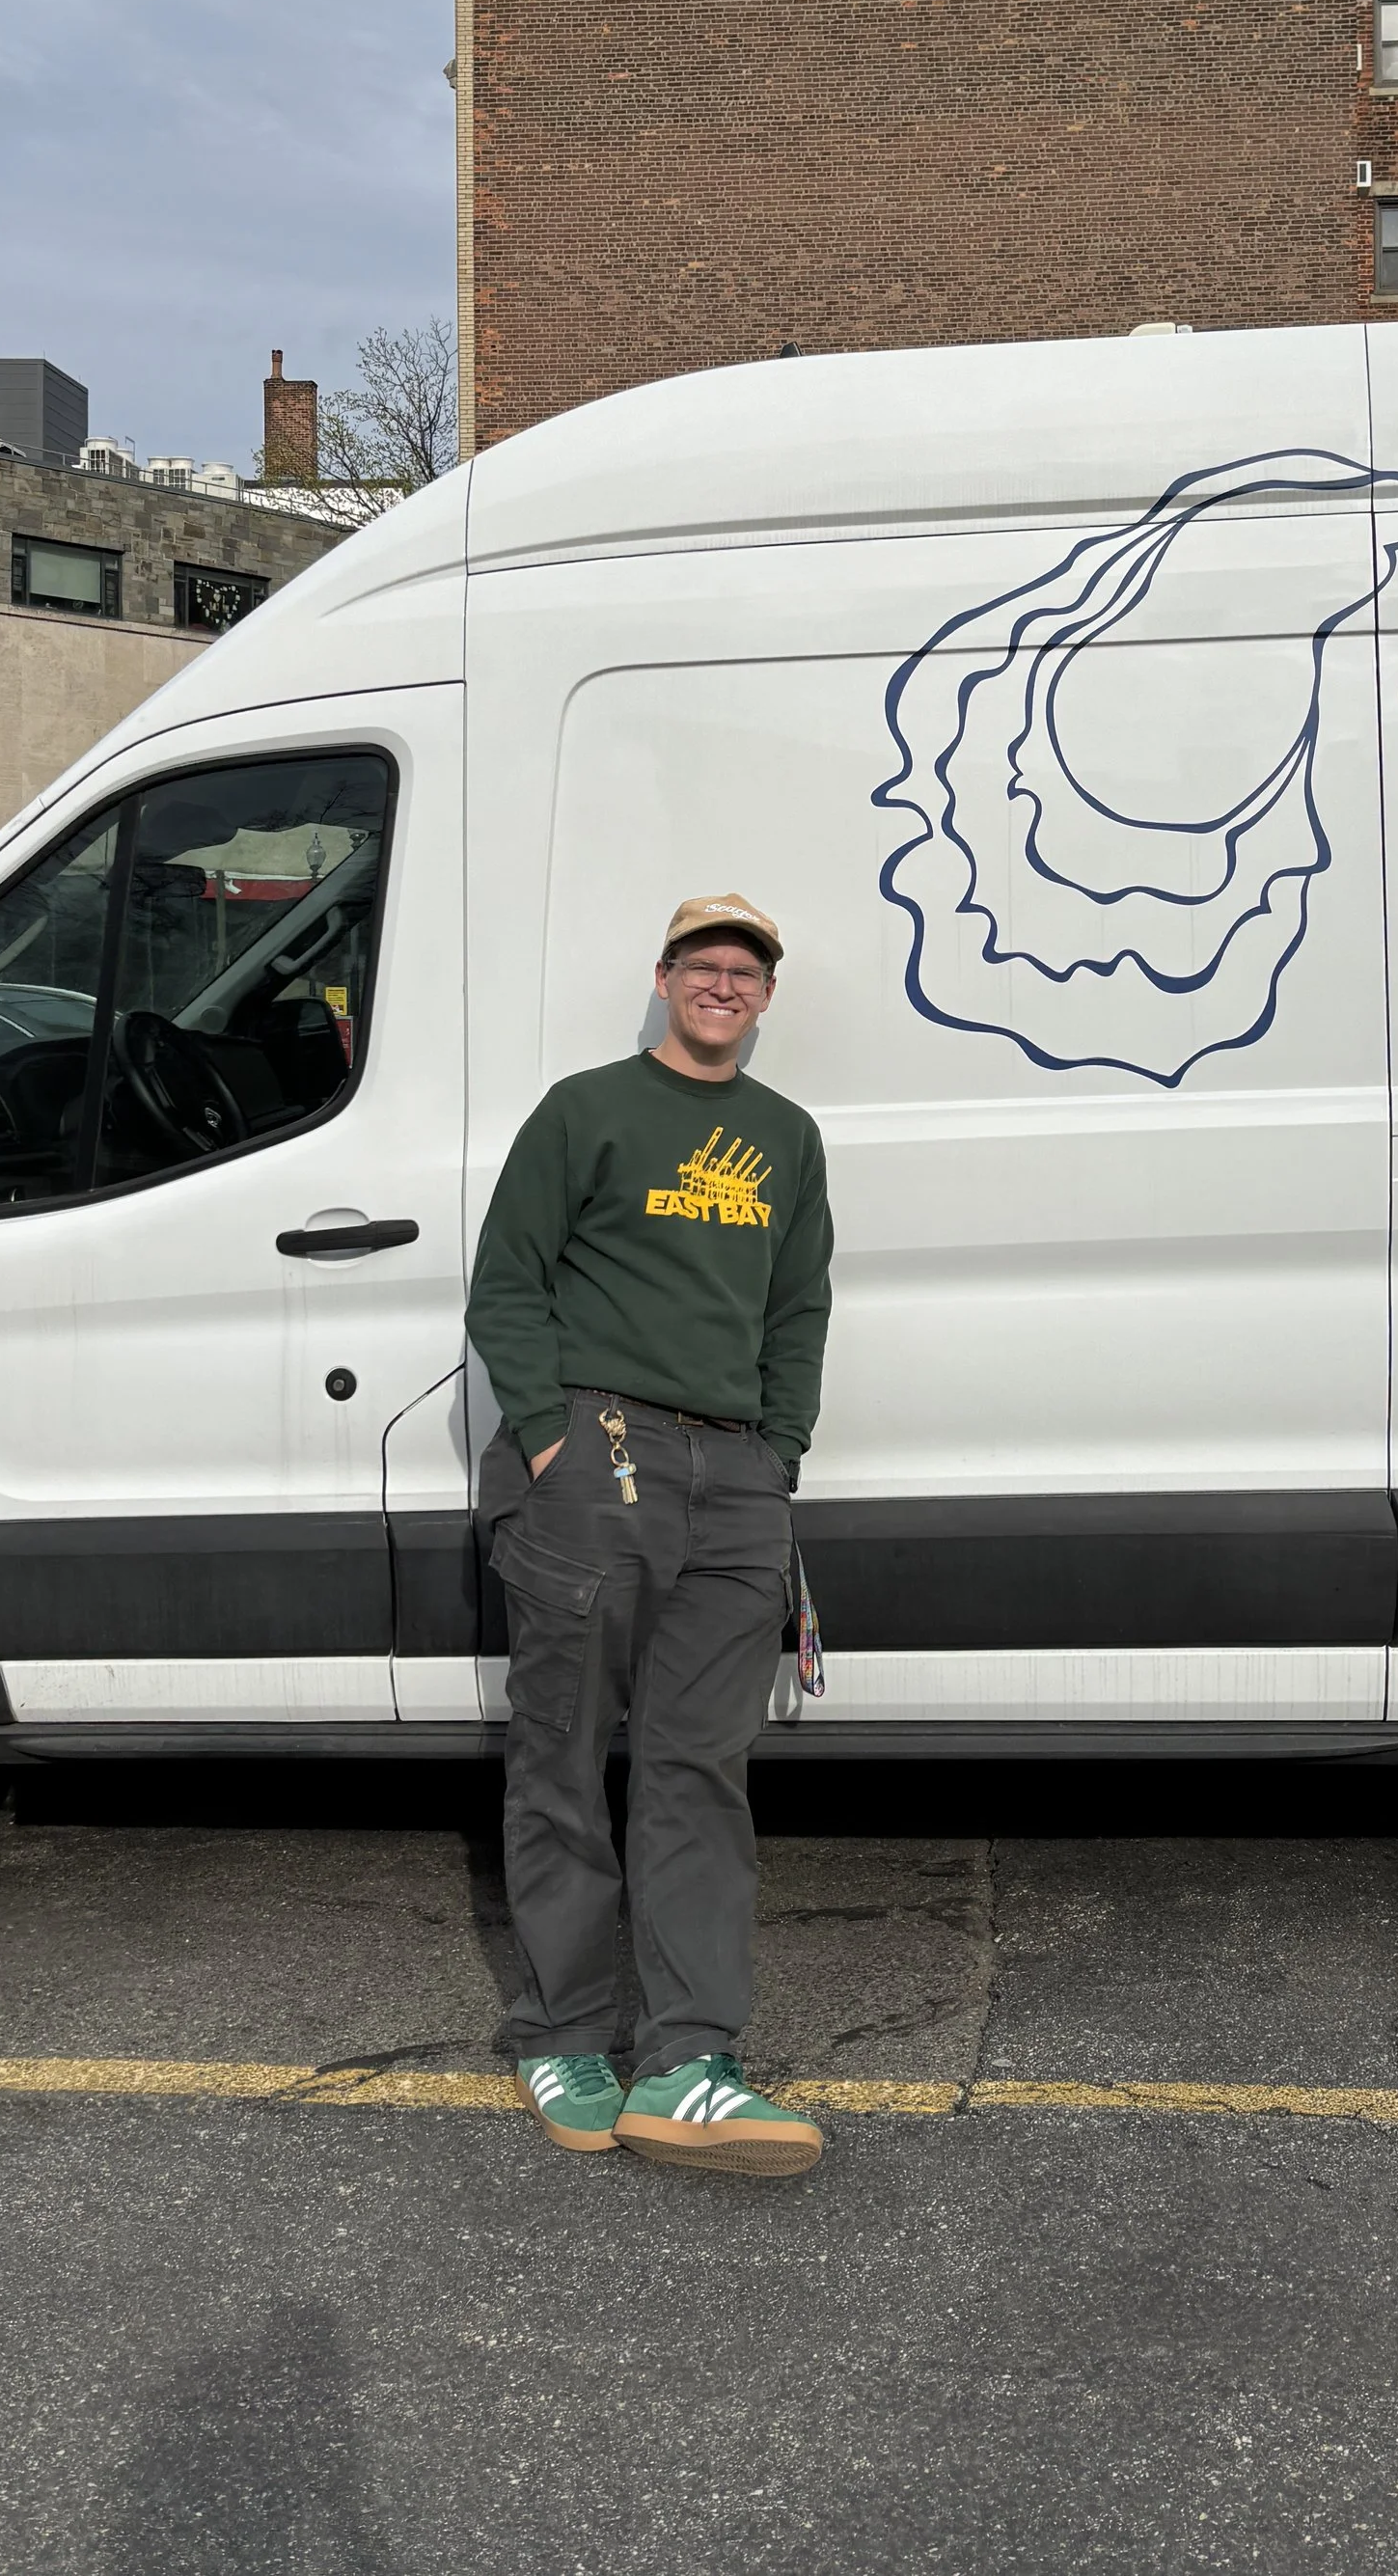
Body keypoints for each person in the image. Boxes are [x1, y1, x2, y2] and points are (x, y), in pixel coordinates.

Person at [466, 892, 833, 2177]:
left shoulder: (788, 1138)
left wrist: (776, 1461)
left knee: (697, 1771)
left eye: (746, 970)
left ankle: (688, 2058)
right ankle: (564, 2030)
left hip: (732, 1483)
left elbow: (799, 1309)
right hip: (596, 1458)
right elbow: (508, 1278)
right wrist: (547, 1435)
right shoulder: (586, 1112)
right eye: (703, 964)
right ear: (666, 978)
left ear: (765, 995)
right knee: (564, 1757)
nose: (724, 984)